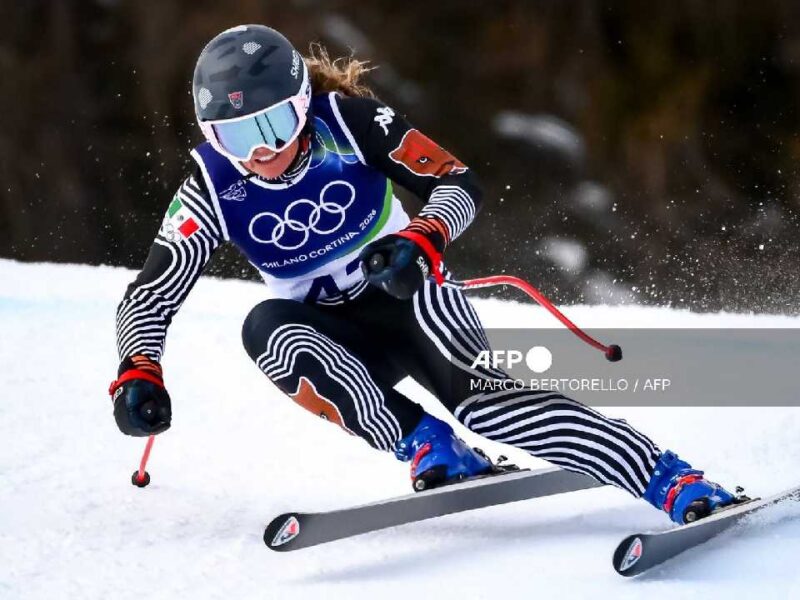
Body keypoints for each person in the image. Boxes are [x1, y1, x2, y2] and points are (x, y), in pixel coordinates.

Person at [109, 24, 741, 525]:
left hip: (412, 298)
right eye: (233, 136)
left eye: (272, 125)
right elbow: (150, 295)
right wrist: (138, 370)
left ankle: (667, 476)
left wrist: (421, 238)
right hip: (338, 342)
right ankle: (425, 442)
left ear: (302, 104)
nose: (259, 153)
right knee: (266, 328)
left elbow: (459, 182)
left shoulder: (350, 125)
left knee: (488, 408)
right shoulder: (211, 188)